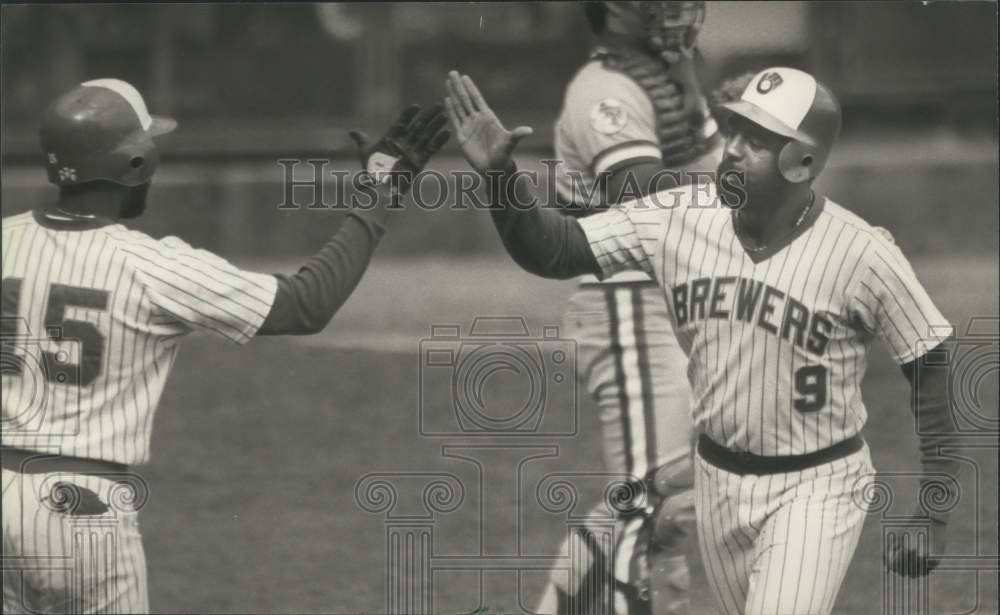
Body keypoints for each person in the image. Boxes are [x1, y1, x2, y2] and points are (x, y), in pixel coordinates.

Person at [443, 68, 960, 615]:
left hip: (819, 486)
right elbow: (555, 251)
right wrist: (501, 177)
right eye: (734, 131)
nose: (733, 150)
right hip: (716, 481)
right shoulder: (677, 216)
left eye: (757, 141)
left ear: (803, 161)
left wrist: (934, 511)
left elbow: (929, 357)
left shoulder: (861, 253)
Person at [0, 78, 448, 614]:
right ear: (136, 163)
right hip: (80, 510)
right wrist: (379, 195)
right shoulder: (151, 266)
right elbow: (305, 304)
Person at [539, 2, 720, 613]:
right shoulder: (605, 92)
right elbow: (641, 195)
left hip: (672, 309)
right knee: (653, 499)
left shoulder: (669, 87)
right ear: (614, 8)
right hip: (626, 305)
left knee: (651, 498)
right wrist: (749, 180)